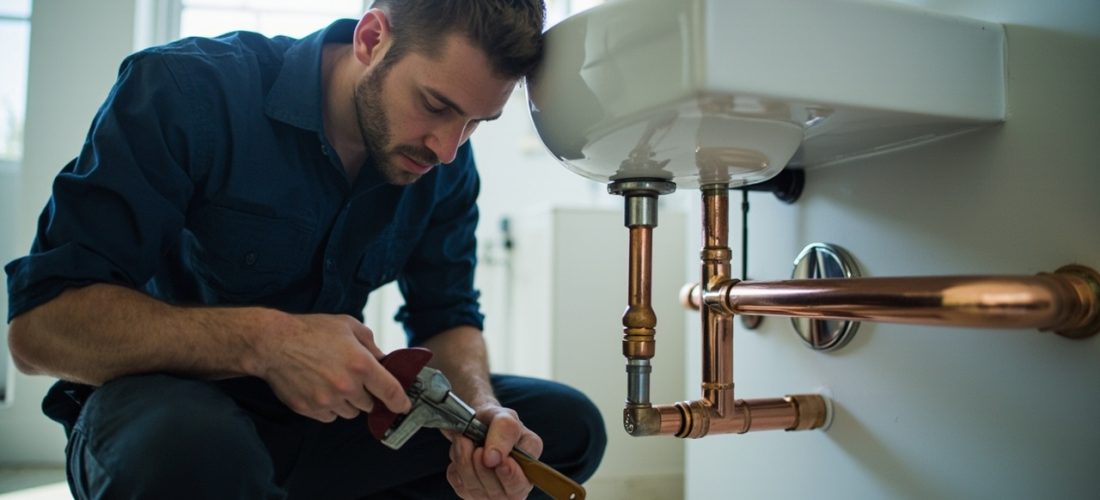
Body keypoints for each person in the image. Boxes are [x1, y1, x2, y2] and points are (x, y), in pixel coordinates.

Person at [4, 0, 606, 498]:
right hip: (169, 413)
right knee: (197, 455)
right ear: (372, 37)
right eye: (436, 105)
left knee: (566, 429)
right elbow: (40, 330)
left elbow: (446, 317)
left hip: (322, 428)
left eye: (476, 122)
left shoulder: (445, 166)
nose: (448, 148)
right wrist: (266, 343)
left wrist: (481, 416)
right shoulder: (188, 91)